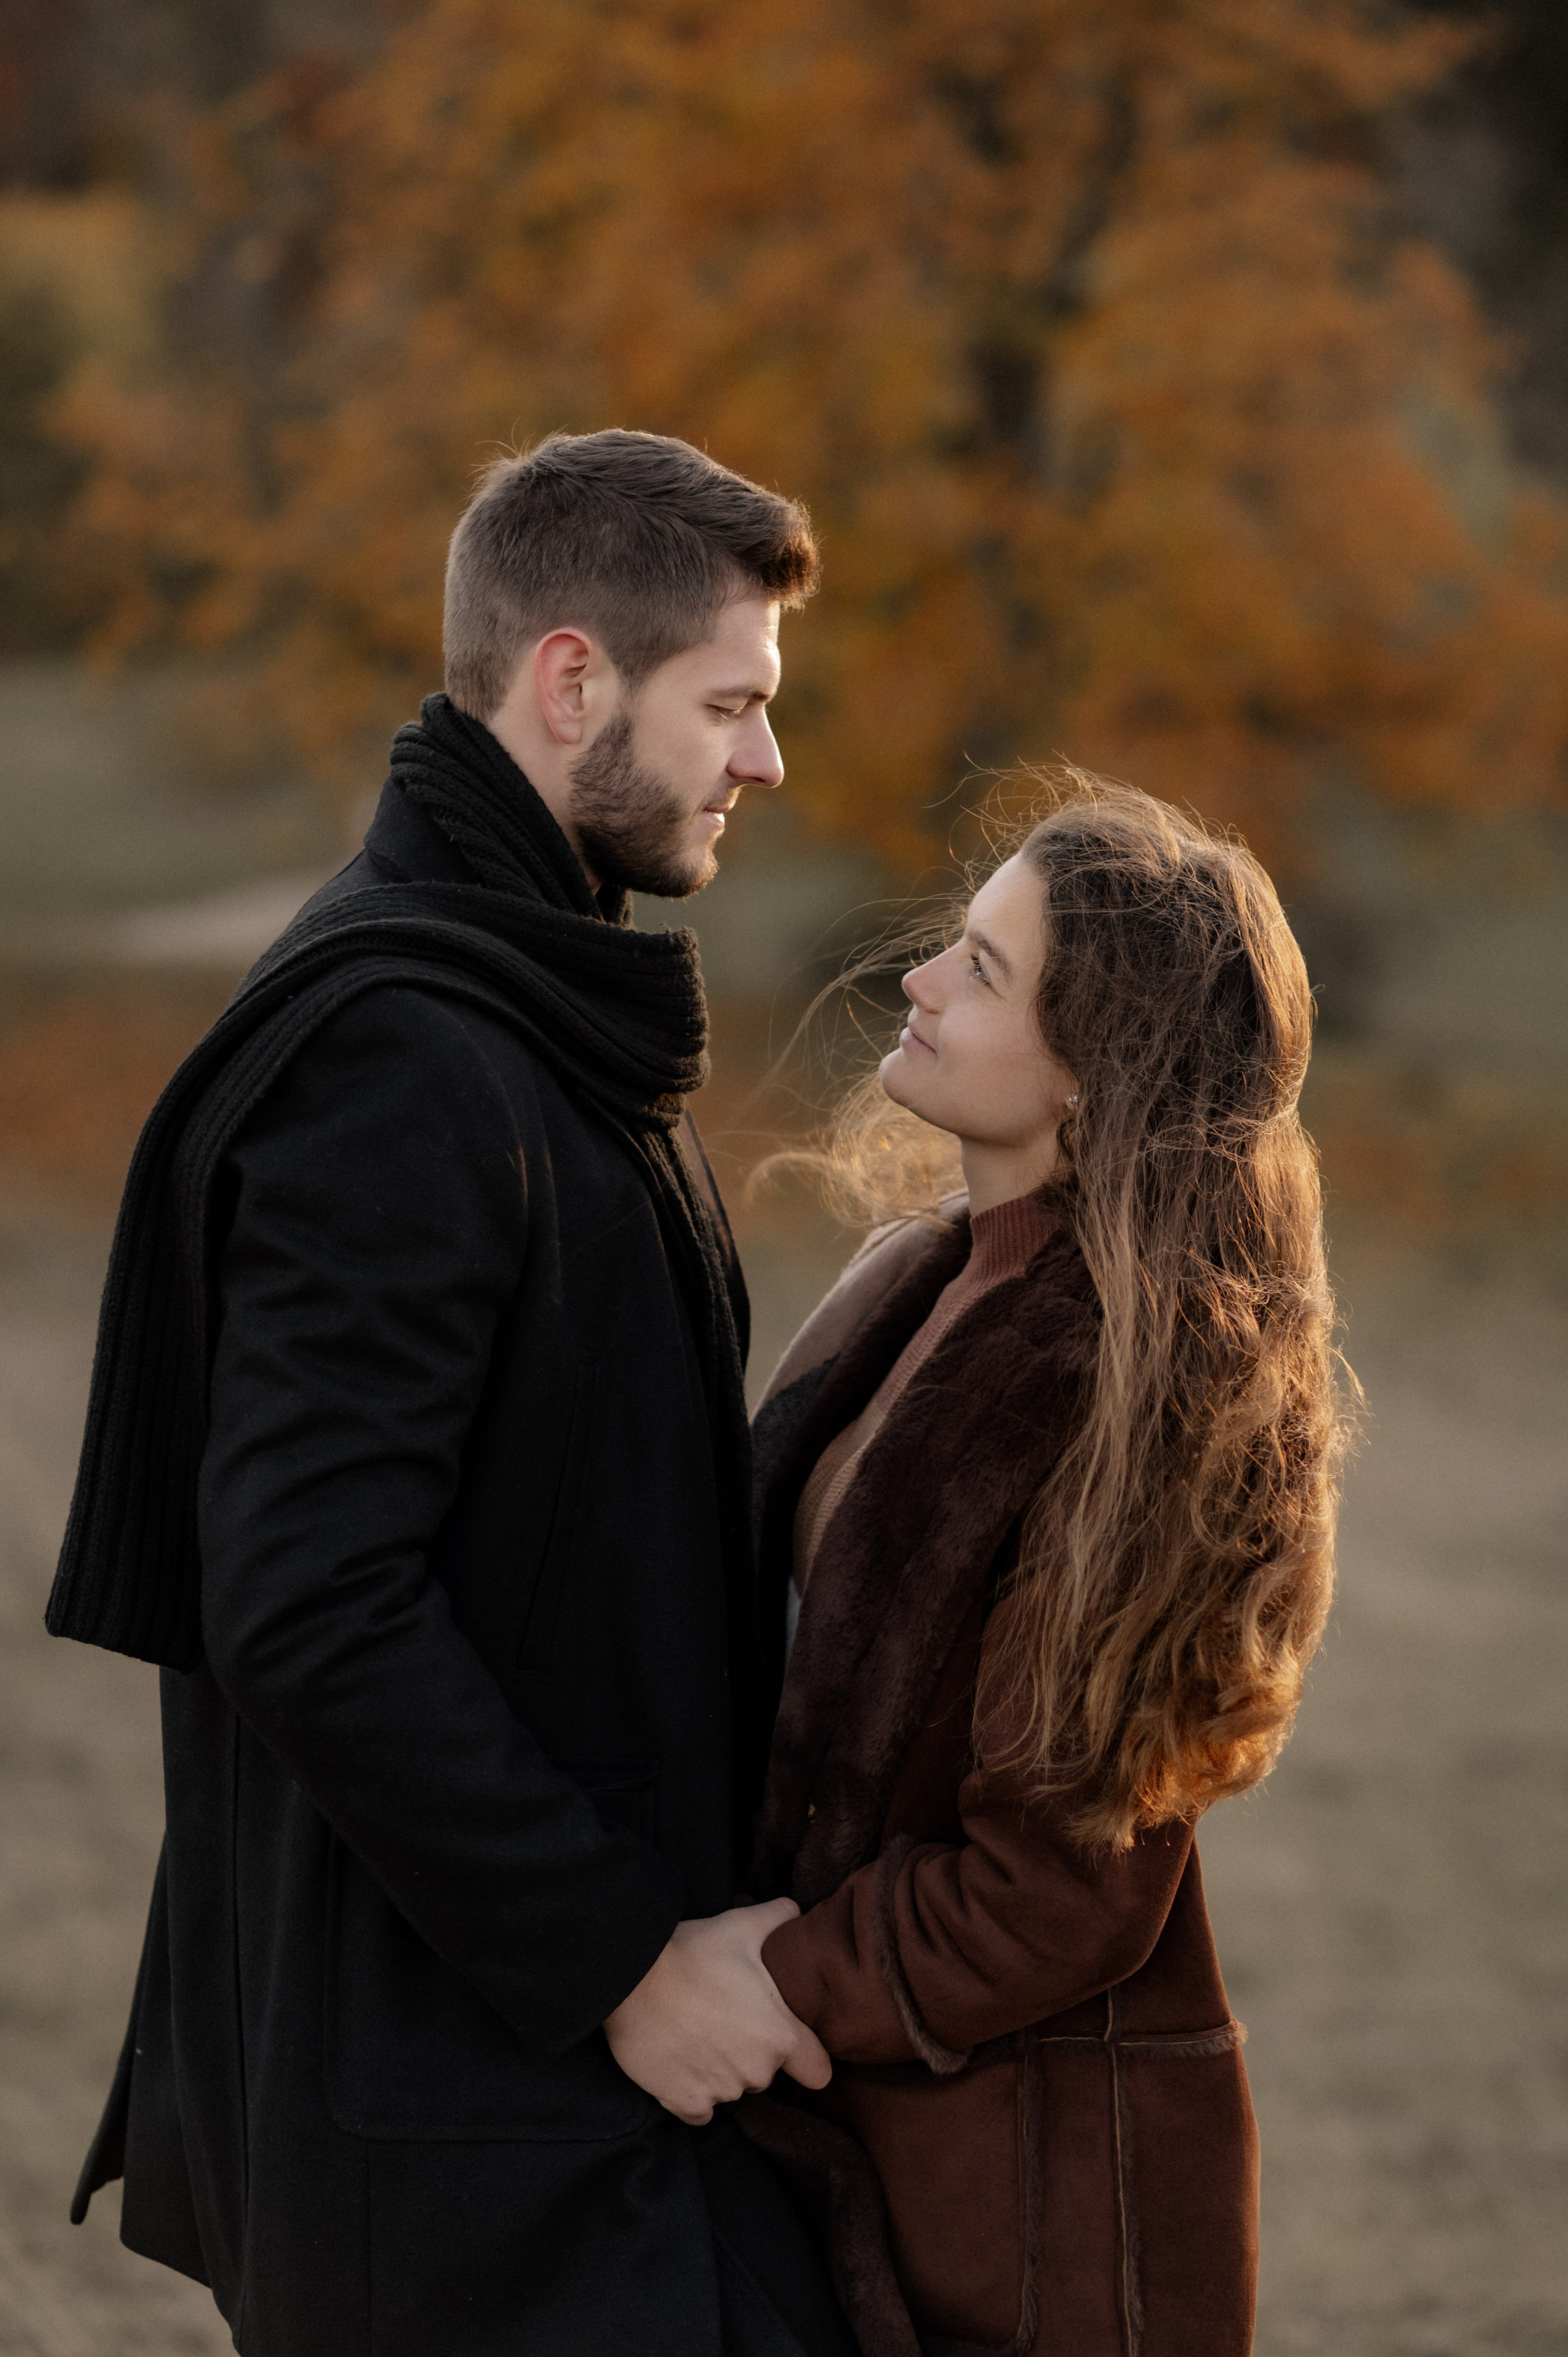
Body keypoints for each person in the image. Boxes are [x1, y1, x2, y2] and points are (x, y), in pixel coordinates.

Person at [50, 429, 860, 2357]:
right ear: (570, 677)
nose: (765, 762)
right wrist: (617, 1967)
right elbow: (308, 1597)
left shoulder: (532, 995)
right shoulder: (405, 1055)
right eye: (729, 705)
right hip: (458, 2113)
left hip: (528, 2095)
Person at [739, 780, 1351, 2357]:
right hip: (840, 2123)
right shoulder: (920, 1272)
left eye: (982, 972)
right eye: (955, 941)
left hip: (1020, 2202)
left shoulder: (1143, 1400)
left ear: (1092, 1085)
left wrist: (770, 1980)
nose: (917, 981)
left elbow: (1058, 1893)